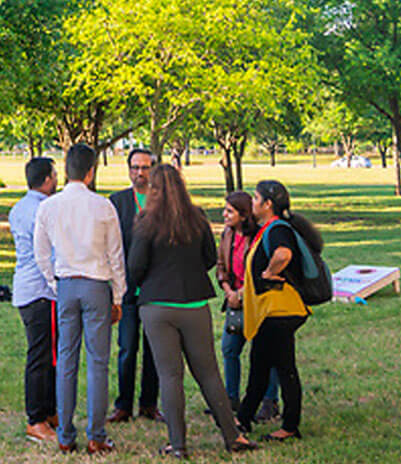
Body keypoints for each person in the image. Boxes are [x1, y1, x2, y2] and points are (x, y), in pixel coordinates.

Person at [128, 164, 256, 458]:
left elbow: (135, 266)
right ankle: (233, 436)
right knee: (209, 372)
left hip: (157, 305)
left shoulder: (146, 220)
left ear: (154, 189)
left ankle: (178, 444)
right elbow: (210, 258)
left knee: (170, 376)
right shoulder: (197, 216)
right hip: (194, 303)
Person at [34, 143, 126, 455]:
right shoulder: (103, 206)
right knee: (98, 362)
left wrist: (54, 282)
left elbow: (41, 253)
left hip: (66, 285)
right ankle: (96, 435)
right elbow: (116, 256)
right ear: (91, 172)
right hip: (96, 285)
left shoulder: (49, 206)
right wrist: (118, 295)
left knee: (66, 361)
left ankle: (65, 434)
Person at [237, 180, 316, 443]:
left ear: (268, 204)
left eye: (255, 198)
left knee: (284, 369)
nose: (252, 202)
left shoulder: (277, 229)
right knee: (260, 366)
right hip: (271, 312)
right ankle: (244, 418)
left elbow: (283, 254)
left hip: (280, 311)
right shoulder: (268, 229)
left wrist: (270, 272)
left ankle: (290, 426)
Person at [108, 148, 160, 424]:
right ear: (128, 170)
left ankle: (149, 404)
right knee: (127, 349)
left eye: (145, 167)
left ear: (153, 169)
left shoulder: (162, 201)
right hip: (127, 289)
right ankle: (123, 406)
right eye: (135, 167)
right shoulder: (117, 202)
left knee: (154, 350)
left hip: (156, 289)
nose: (140, 172)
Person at [9, 156, 59, 443]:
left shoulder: (19, 207)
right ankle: (36, 419)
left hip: (27, 288)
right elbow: (49, 253)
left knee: (49, 354)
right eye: (55, 175)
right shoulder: (44, 210)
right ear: (48, 179)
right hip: (41, 290)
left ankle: (50, 411)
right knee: (41, 356)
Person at [216, 191, 279, 418]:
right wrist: (229, 292)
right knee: (229, 349)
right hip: (234, 302)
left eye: (229, 211)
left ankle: (270, 402)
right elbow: (221, 266)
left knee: (264, 352)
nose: (224, 215)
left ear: (243, 215)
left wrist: (241, 293)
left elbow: (262, 272)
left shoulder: (259, 237)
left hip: (257, 301)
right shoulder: (227, 234)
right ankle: (231, 398)